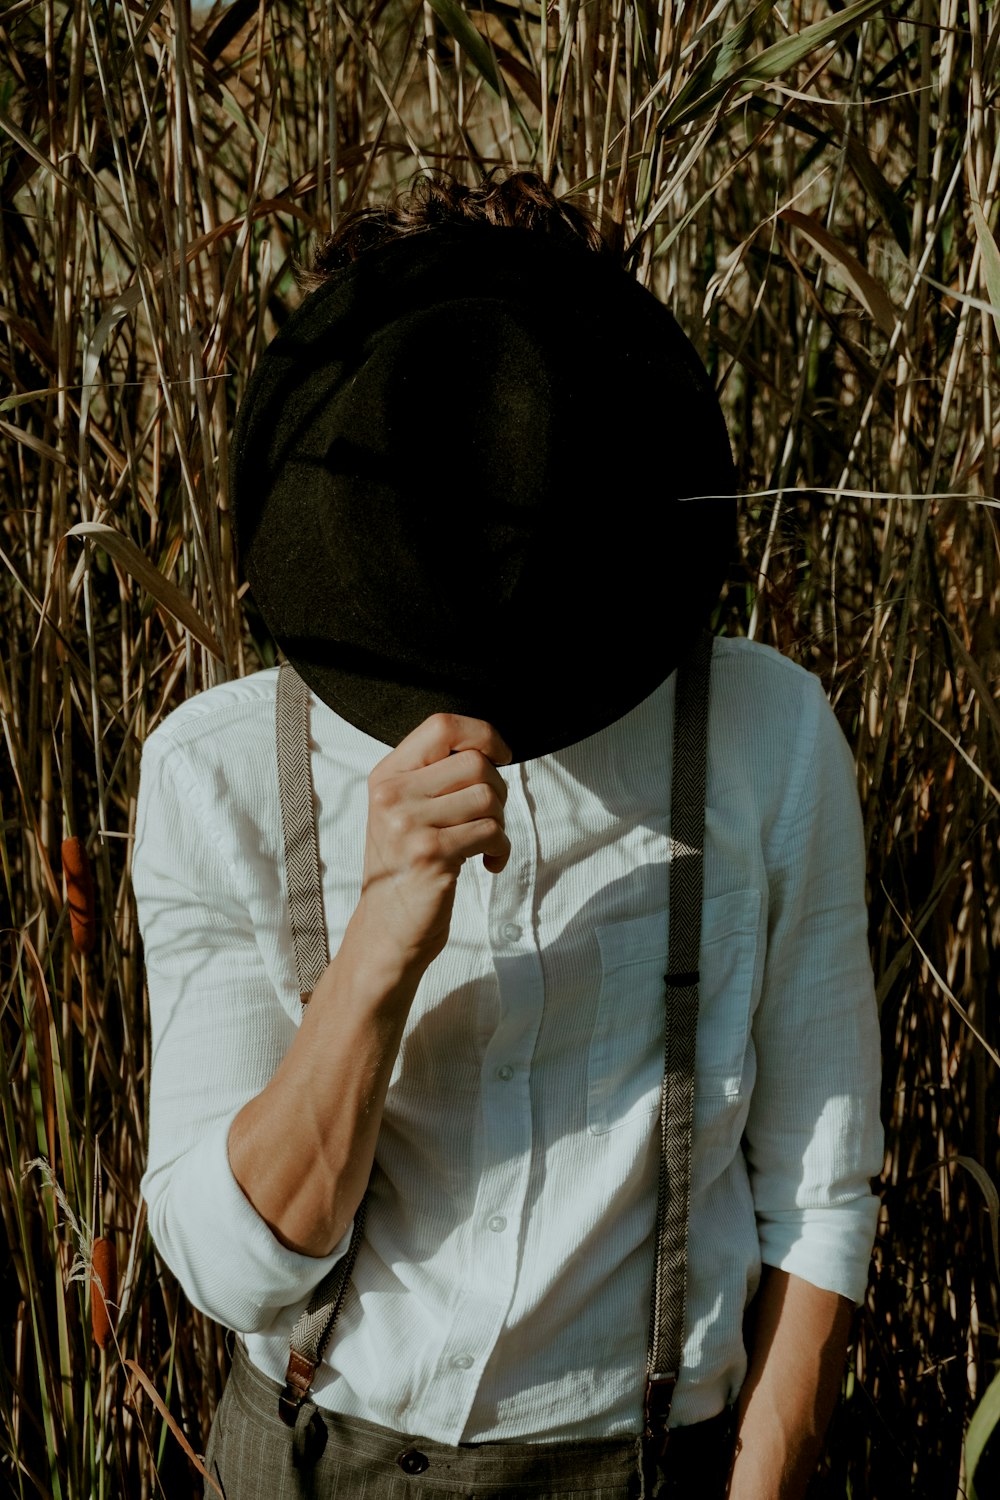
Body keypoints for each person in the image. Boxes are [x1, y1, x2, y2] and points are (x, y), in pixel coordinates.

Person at [132, 172, 883, 1500]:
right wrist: (382, 940)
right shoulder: (225, 771)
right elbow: (235, 1265)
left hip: (643, 1461)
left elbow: (818, 1198)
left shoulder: (764, 736)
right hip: (320, 1458)